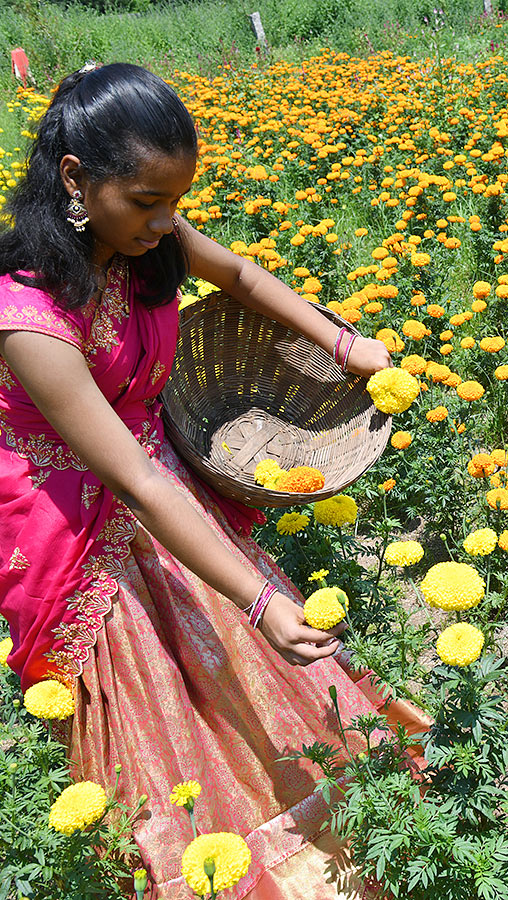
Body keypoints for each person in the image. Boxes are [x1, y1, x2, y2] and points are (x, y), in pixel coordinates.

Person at [0, 63, 425, 898]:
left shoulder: (145, 238)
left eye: (174, 201)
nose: (166, 223)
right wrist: (258, 602)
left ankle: (339, 833)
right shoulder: (28, 318)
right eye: (147, 202)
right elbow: (133, 484)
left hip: (147, 474)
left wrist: (347, 347)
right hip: (71, 516)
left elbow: (241, 278)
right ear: (77, 179)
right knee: (156, 701)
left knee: (240, 670)